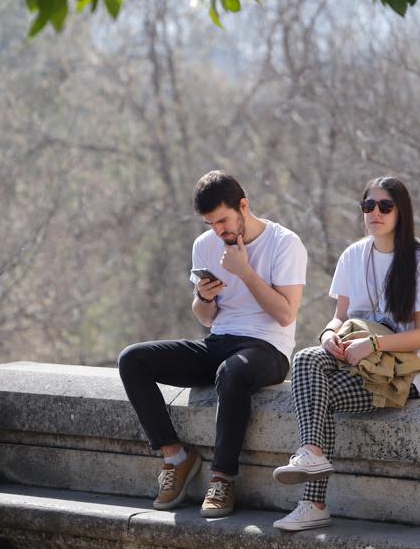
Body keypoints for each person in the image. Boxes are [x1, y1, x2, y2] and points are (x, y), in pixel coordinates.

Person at [117, 171, 307, 518]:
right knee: (132, 360)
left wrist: (245, 271)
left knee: (230, 373)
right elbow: (205, 318)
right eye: (210, 223)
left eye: (222, 220)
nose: (218, 231)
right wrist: (203, 298)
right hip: (218, 340)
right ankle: (175, 456)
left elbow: (285, 314)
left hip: (267, 348)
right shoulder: (204, 245)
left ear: (243, 206)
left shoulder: (284, 242)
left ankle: (222, 478)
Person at [271, 176, 420, 532]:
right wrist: (328, 336)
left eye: (386, 206)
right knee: (307, 358)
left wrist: (372, 344)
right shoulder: (354, 255)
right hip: (361, 358)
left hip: (408, 372)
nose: (376, 213)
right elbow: (340, 317)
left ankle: (313, 502)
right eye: (369, 206)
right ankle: (312, 453)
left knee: (318, 398)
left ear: (402, 212)